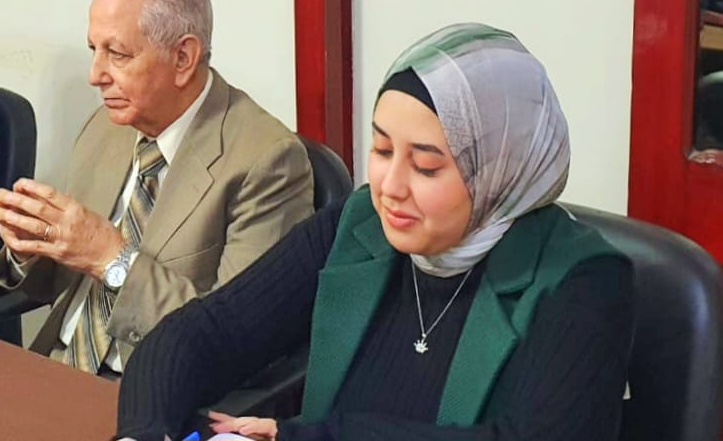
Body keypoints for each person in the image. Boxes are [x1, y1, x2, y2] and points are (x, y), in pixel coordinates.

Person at [116, 23, 634, 441]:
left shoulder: (585, 281)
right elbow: (207, 332)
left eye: (426, 166)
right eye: (382, 150)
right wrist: (143, 432)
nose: (391, 187)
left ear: (501, 172)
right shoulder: (363, 223)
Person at [0, 0, 314, 375]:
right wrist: (31, 249)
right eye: (93, 50)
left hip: (152, 386)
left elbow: (239, 336)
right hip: (55, 368)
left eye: (117, 54)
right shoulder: (105, 127)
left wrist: (112, 259)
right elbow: (63, 282)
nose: (95, 76)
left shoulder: (266, 161)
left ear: (183, 58)